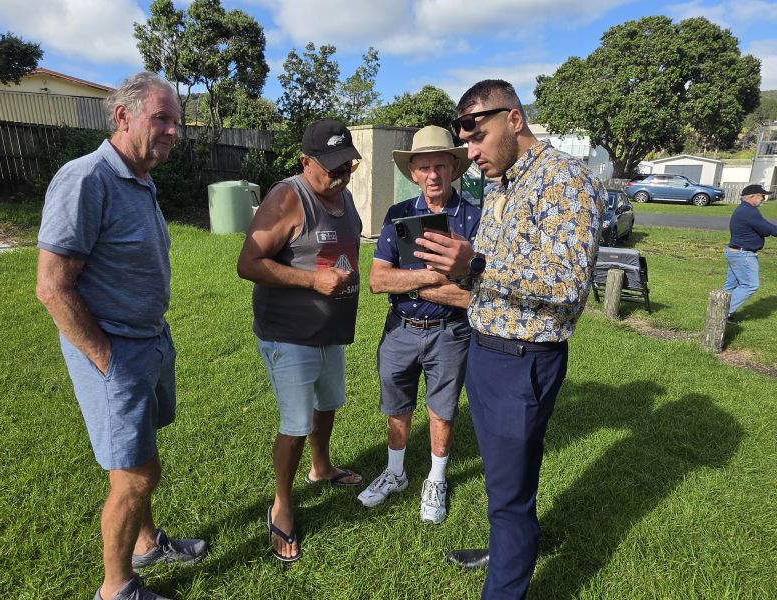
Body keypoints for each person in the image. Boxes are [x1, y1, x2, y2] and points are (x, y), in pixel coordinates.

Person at [414, 79, 604, 599]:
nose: (471, 155)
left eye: (477, 138)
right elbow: (503, 264)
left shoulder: (565, 179)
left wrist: (474, 264)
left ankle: (504, 587)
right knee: (505, 478)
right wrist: (465, 260)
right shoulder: (502, 183)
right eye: (466, 143)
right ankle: (507, 549)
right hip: (487, 348)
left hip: (523, 360)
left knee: (507, 493)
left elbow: (567, 284)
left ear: (514, 119)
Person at [36, 72, 207, 600]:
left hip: (147, 340)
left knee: (142, 454)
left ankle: (147, 543)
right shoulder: (86, 178)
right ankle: (117, 588)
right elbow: (51, 286)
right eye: (162, 118)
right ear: (123, 116)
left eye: (176, 122)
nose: (173, 131)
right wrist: (105, 358)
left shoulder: (141, 177)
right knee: (133, 476)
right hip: (114, 350)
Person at [237, 119, 364, 563]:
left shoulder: (343, 195)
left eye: (346, 166)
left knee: (328, 403)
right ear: (305, 161)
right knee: (294, 422)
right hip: (289, 335)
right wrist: (313, 281)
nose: (340, 175)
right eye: (330, 168)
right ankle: (282, 504)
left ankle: (321, 466)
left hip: (331, 332)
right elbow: (249, 262)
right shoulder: (287, 196)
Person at [357, 126, 480, 523]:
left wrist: (410, 283)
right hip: (400, 330)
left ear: (454, 168)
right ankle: (395, 474)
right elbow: (378, 281)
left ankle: (436, 479)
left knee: (442, 410)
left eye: (440, 166)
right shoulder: (399, 215)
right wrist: (434, 277)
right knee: (396, 405)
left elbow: (473, 295)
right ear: (413, 172)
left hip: (450, 333)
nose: (432, 175)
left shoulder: (474, 220)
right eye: (424, 167)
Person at [723, 183, 777, 324]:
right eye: (762, 196)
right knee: (750, 285)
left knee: (730, 286)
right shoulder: (749, 211)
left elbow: (764, 228)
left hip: (735, 252)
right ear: (752, 197)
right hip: (743, 255)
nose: (763, 199)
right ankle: (722, 312)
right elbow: (767, 229)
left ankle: (720, 313)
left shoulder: (744, 209)